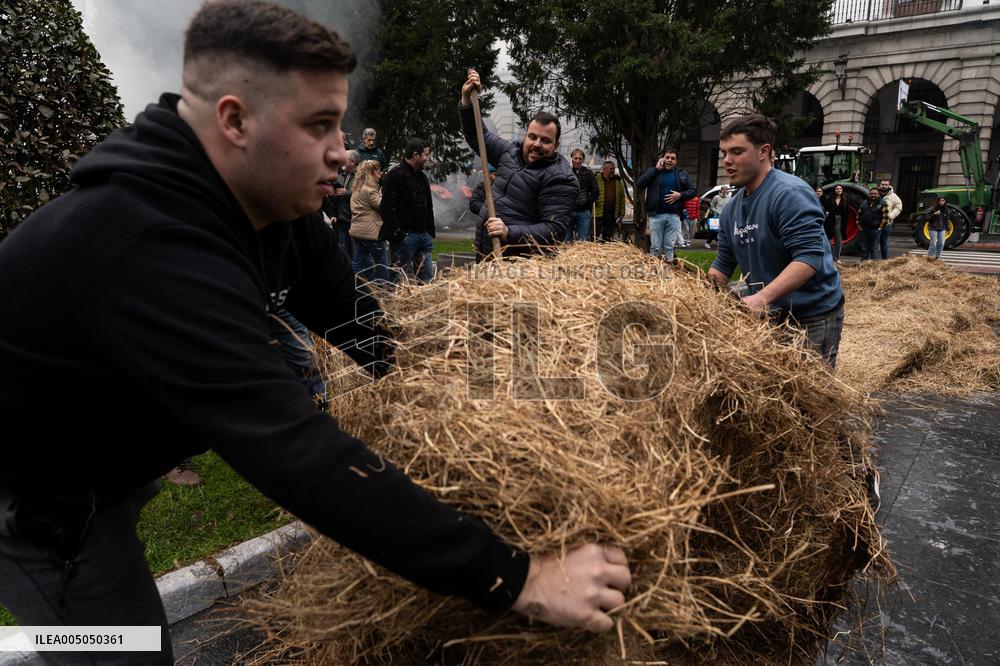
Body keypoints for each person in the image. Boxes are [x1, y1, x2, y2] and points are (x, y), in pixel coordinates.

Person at [0, 3, 631, 662]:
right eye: (321, 125)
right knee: (127, 654)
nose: (343, 149)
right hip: (43, 506)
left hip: (112, 457)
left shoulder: (276, 208)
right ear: (236, 120)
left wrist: (502, 419)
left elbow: (370, 332)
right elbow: (297, 454)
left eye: (342, 122)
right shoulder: (147, 248)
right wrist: (519, 577)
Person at [707, 114, 845, 367]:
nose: (727, 161)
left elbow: (809, 257)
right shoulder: (731, 209)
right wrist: (693, 296)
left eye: (737, 152)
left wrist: (760, 299)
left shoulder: (789, 194)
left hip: (811, 316)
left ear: (764, 152)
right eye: (724, 153)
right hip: (770, 315)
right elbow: (722, 265)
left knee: (808, 400)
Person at [459, 69, 578, 259]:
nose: (537, 144)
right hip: (487, 254)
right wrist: (467, 100)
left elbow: (554, 231)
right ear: (526, 137)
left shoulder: (560, 178)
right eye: (532, 137)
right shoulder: (510, 153)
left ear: (556, 145)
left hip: (520, 266)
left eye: (545, 140)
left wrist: (509, 232)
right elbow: (478, 137)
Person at [380, 138, 436, 283]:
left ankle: (425, 305)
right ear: (416, 155)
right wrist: (399, 234)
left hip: (423, 236)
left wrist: (429, 232)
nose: (427, 158)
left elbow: (428, 206)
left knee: (426, 281)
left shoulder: (422, 177)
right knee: (398, 280)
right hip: (404, 239)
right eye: (426, 154)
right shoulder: (394, 176)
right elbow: (386, 208)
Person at [636, 148, 696, 261]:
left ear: (676, 161)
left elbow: (693, 191)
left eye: (673, 158)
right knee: (655, 247)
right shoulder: (654, 171)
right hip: (656, 215)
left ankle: (669, 272)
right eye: (667, 157)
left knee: (669, 247)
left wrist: (680, 195)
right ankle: (653, 271)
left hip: (674, 215)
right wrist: (656, 169)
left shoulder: (681, 174)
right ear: (662, 158)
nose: (669, 160)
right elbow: (640, 183)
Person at [349, 160, 391, 283]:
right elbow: (383, 206)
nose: (380, 175)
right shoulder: (370, 191)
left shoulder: (357, 188)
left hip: (357, 231)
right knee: (381, 262)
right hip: (371, 233)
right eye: (378, 172)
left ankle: (355, 286)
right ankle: (382, 289)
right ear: (370, 174)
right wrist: (383, 192)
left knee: (358, 261)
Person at [565, 149, 599, 242]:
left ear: (583, 160)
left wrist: (587, 201)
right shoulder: (566, 172)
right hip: (568, 210)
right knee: (566, 239)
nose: (577, 161)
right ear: (571, 158)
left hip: (583, 211)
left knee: (583, 240)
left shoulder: (588, 173)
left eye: (580, 158)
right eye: (575, 158)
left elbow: (595, 191)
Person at [593, 160, 626, 242]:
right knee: (593, 237)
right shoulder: (596, 180)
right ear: (604, 169)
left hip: (611, 215)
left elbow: (622, 198)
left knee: (608, 238)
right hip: (598, 214)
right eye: (611, 168)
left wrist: (622, 214)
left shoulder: (617, 182)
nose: (613, 171)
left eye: (614, 169)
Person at [857, 187, 888, 262]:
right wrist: (859, 226)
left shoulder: (883, 203)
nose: (873, 195)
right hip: (864, 230)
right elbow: (859, 215)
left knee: (874, 249)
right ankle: (864, 264)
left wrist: (880, 228)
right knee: (864, 248)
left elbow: (885, 218)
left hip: (875, 230)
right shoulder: (864, 203)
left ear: (878, 194)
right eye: (871, 193)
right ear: (869, 194)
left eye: (875, 193)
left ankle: (873, 266)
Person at [823, 184, 850, 262]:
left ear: (842, 190)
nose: (839, 190)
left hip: (840, 220)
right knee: (829, 239)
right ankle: (829, 257)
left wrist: (846, 220)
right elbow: (826, 209)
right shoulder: (829, 199)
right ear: (834, 190)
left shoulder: (845, 200)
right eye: (837, 189)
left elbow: (848, 212)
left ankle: (836, 258)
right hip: (830, 220)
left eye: (840, 188)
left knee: (838, 240)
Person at [877, 178, 903, 260]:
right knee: (874, 242)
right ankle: (873, 260)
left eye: (886, 185)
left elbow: (899, 207)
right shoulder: (875, 194)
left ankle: (884, 260)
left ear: (889, 185)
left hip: (887, 223)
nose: (884, 186)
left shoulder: (893, 196)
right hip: (875, 222)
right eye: (882, 184)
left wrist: (891, 215)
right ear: (880, 185)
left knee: (883, 242)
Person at [706, 185, 733, 249]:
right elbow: (712, 206)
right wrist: (717, 211)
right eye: (723, 189)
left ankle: (721, 243)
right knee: (714, 230)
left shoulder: (730, 198)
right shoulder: (716, 197)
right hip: (717, 217)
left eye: (726, 189)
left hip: (726, 217)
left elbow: (731, 207)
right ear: (721, 190)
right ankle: (707, 243)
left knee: (724, 231)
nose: (725, 190)